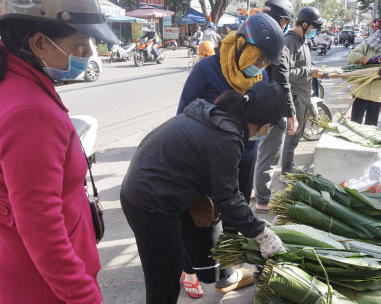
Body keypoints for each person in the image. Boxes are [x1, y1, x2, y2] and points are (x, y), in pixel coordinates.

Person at [0, 1, 118, 304]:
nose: (89, 54)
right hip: (37, 284)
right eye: (80, 45)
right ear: (39, 42)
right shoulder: (30, 113)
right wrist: (83, 296)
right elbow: (42, 229)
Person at [121, 81, 287, 304]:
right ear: (264, 123)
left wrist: (256, 226)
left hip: (154, 186)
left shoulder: (215, 116)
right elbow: (227, 198)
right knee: (164, 280)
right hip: (149, 201)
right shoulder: (225, 138)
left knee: (180, 258)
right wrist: (261, 233)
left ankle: (221, 276)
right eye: (272, 126)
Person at [176, 13, 284, 298]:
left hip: (245, 154)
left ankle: (225, 268)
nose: (260, 67)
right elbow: (182, 117)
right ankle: (189, 271)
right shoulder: (207, 71)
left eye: (264, 63)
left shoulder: (258, 74)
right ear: (242, 46)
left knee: (232, 215)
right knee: (201, 217)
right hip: (206, 163)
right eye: (258, 59)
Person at [254, 0, 298, 212]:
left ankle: (252, 189)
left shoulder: (249, 35)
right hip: (269, 109)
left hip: (245, 105)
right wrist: (291, 114)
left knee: (251, 153)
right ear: (282, 21)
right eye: (286, 22)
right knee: (269, 154)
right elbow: (283, 83)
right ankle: (263, 200)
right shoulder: (276, 42)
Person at [279, 7, 327, 182]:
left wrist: (323, 74)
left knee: (297, 135)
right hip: (295, 95)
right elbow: (285, 72)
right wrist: (309, 72)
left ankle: (289, 167)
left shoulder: (302, 40)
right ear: (305, 24)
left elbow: (305, 66)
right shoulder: (289, 42)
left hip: (304, 94)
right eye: (315, 27)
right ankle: (285, 172)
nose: (316, 31)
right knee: (292, 136)